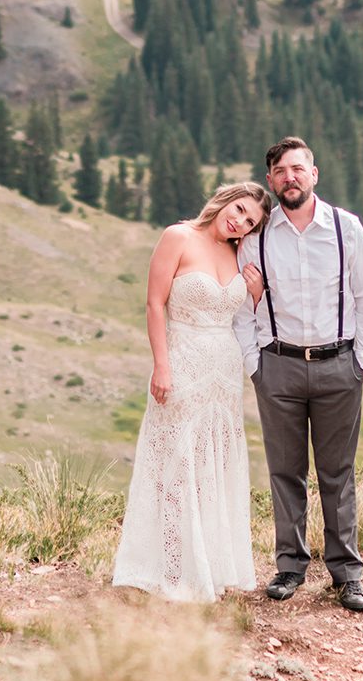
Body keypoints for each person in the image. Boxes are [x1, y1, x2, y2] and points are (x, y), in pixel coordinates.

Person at [233, 136, 363, 614]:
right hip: (277, 366)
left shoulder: (345, 228)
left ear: (313, 174)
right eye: (280, 171)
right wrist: (254, 363)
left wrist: (360, 361)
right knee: (285, 471)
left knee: (337, 472)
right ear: (272, 180)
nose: (290, 178)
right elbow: (242, 308)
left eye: (298, 169)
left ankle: (348, 574)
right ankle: (290, 566)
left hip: (339, 365)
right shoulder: (255, 236)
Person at [112, 179, 273, 601]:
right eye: (238, 210)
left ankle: (210, 564)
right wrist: (161, 365)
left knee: (212, 465)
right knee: (175, 462)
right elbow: (154, 304)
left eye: (249, 221)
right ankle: (169, 565)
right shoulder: (178, 236)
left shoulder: (239, 254)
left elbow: (243, 319)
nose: (239, 221)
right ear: (224, 201)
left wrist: (254, 296)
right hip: (182, 364)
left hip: (223, 372)